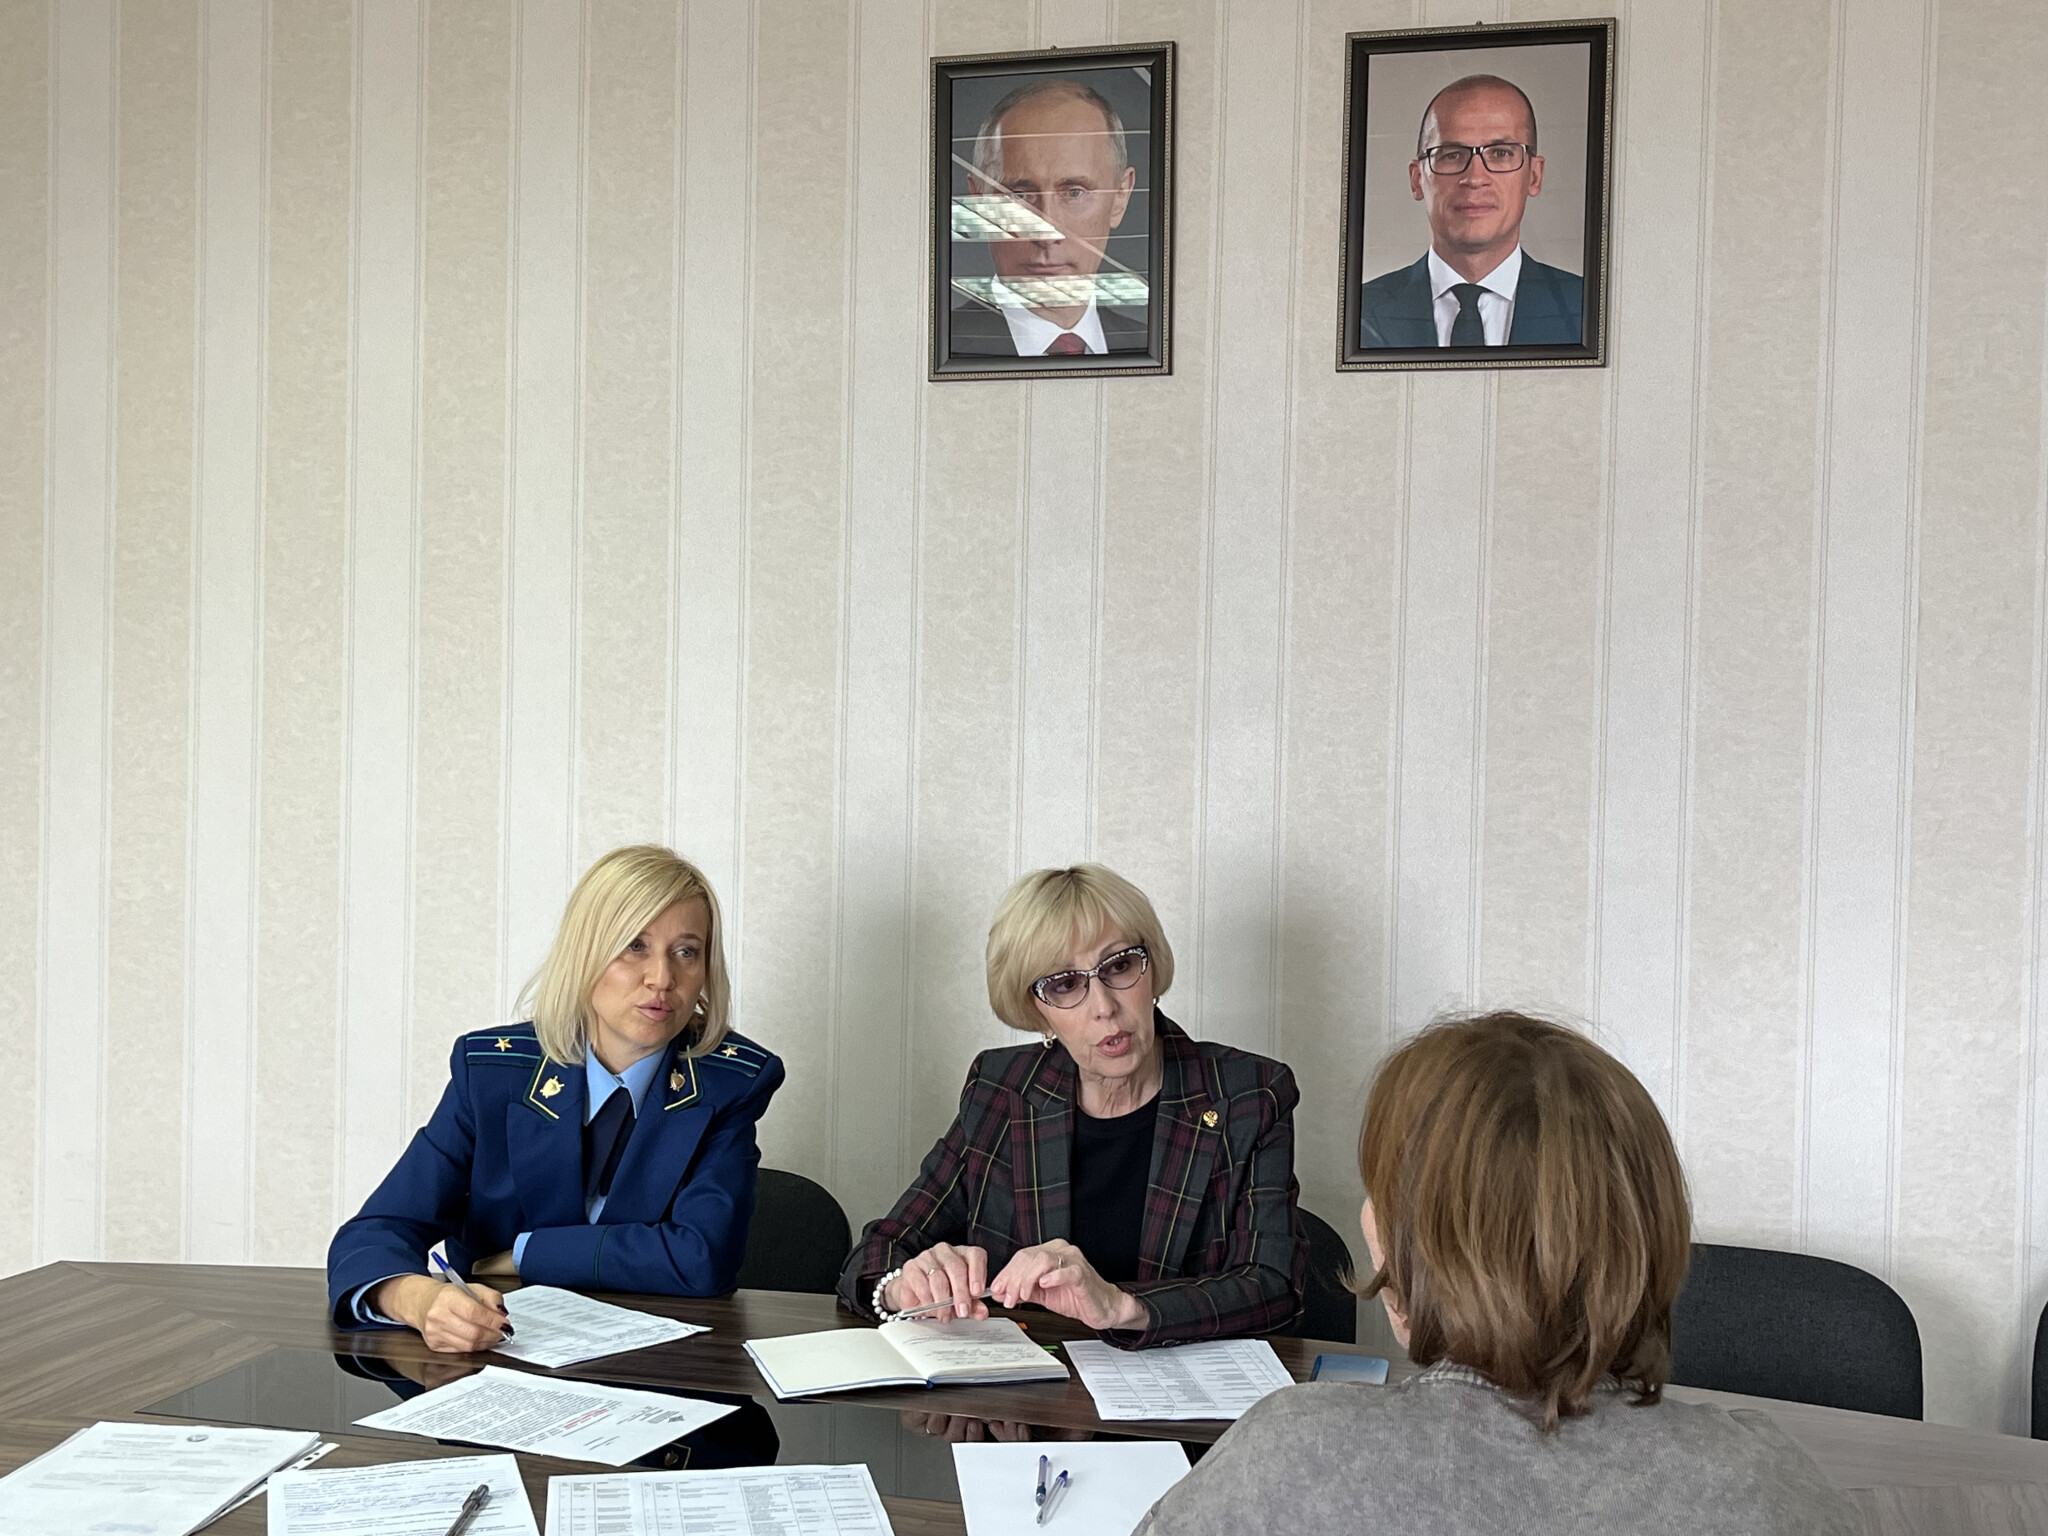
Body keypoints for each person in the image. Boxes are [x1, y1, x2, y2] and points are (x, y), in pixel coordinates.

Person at [1133, 1013, 1862, 1536]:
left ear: (1417, 1249)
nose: (1365, 1218)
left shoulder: (1291, 1456)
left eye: (1380, 1194)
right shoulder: (1764, 1483)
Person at [327, 844, 785, 1352]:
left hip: (660, 1364)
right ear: (585, 953)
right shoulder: (493, 1074)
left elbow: (703, 1257)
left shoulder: (729, 1083)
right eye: (634, 946)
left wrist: (526, 1254)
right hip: (497, 1356)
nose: (661, 978)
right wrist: (417, 1299)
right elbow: (374, 1232)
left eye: (686, 952)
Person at [836, 863, 1304, 1347]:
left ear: (1152, 969)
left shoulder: (1248, 1094)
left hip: (1182, 1392)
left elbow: (1273, 1287)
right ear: (1036, 1009)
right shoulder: (1002, 1089)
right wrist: (904, 1288)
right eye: (1064, 984)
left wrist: (1120, 1305)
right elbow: (878, 1250)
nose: (1103, 1006)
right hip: (1026, 1385)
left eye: (1119, 966)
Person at [1357, 74, 1584, 348]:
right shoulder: (1358, 313)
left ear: (1534, 176)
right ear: (1417, 180)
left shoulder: (1588, 308)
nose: (1475, 178)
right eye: (1452, 155)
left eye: (1500, 153)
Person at [949, 78, 1149, 358]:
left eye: (1074, 192)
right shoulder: (929, 349)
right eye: (1020, 195)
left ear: (1120, 197)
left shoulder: (1154, 348)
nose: (1046, 233)